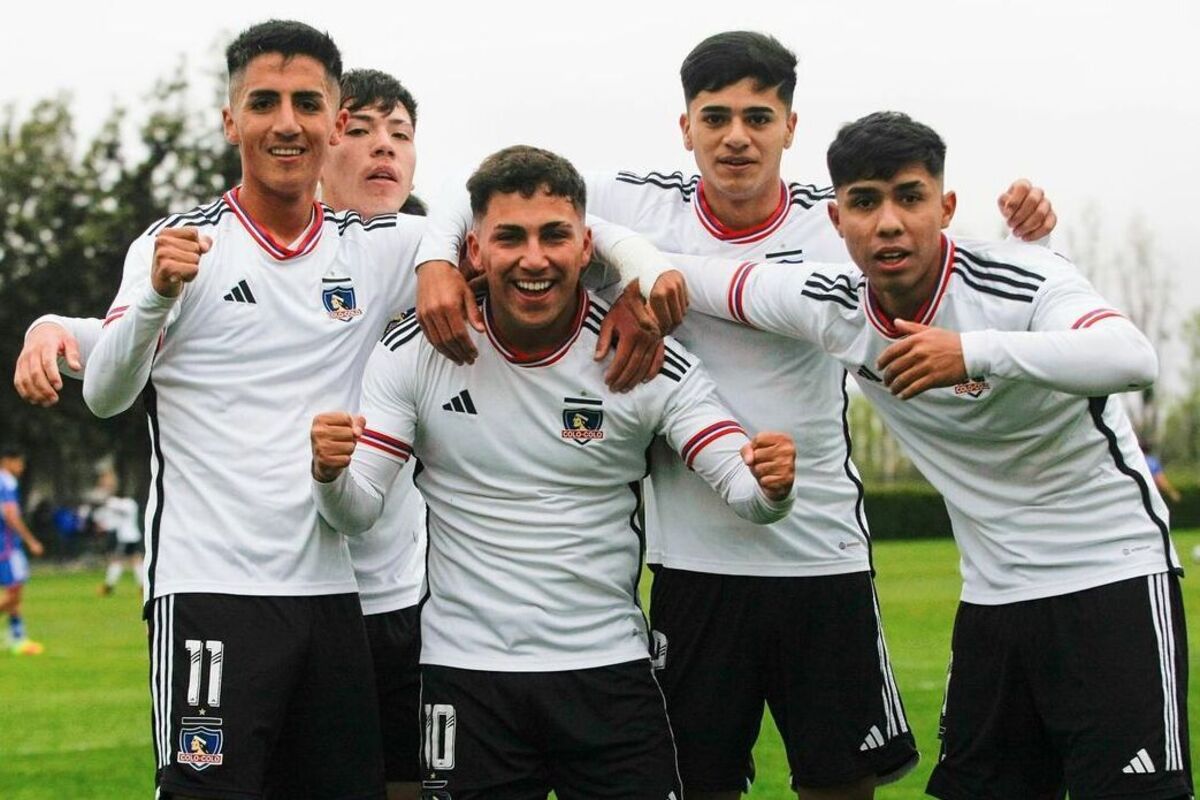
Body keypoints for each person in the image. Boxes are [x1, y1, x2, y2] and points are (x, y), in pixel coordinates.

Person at [413, 31, 1055, 800]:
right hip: (690, 563)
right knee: (698, 780)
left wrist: (1037, 242)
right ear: (685, 127)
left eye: (758, 116)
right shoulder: (631, 201)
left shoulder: (835, 223)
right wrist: (439, 262)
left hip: (818, 552)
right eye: (715, 117)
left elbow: (936, 269)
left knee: (840, 780)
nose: (736, 137)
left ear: (791, 127)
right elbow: (477, 185)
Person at [647, 110, 1190, 800]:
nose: (889, 222)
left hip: (1111, 580)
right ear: (837, 221)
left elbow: (1132, 356)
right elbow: (689, 275)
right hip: (993, 600)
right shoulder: (830, 305)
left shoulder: (1020, 278)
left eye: (910, 197)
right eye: (866, 202)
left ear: (946, 207)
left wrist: (969, 352)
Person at [311, 144, 798, 800]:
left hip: (609, 672)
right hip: (467, 675)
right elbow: (357, 510)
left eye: (553, 236)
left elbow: (746, 494)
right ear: (476, 250)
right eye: (510, 237)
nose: (533, 258)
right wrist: (330, 475)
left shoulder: (642, 354)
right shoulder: (416, 352)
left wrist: (771, 483)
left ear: (586, 246)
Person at [76, 20, 440, 800]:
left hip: (330, 596)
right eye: (263, 102)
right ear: (230, 119)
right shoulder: (174, 245)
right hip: (210, 587)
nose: (286, 122)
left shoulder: (374, 249)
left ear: (335, 121)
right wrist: (154, 299)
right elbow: (105, 394)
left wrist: (443, 265)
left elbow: (515, 227)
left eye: (307, 102)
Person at [0, 444, 45, 655]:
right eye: (18, 462)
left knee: (14, 592)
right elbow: (10, 515)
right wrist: (30, 540)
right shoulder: (6, 482)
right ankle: (17, 638)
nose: (21, 467)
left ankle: (17, 638)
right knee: (15, 592)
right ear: (7, 461)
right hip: (7, 546)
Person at [91, 468, 144, 596]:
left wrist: (107, 488)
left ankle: (108, 586)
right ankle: (143, 586)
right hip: (131, 536)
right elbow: (111, 518)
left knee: (117, 560)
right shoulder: (126, 504)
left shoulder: (126, 504)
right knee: (135, 560)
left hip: (126, 537)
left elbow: (109, 503)